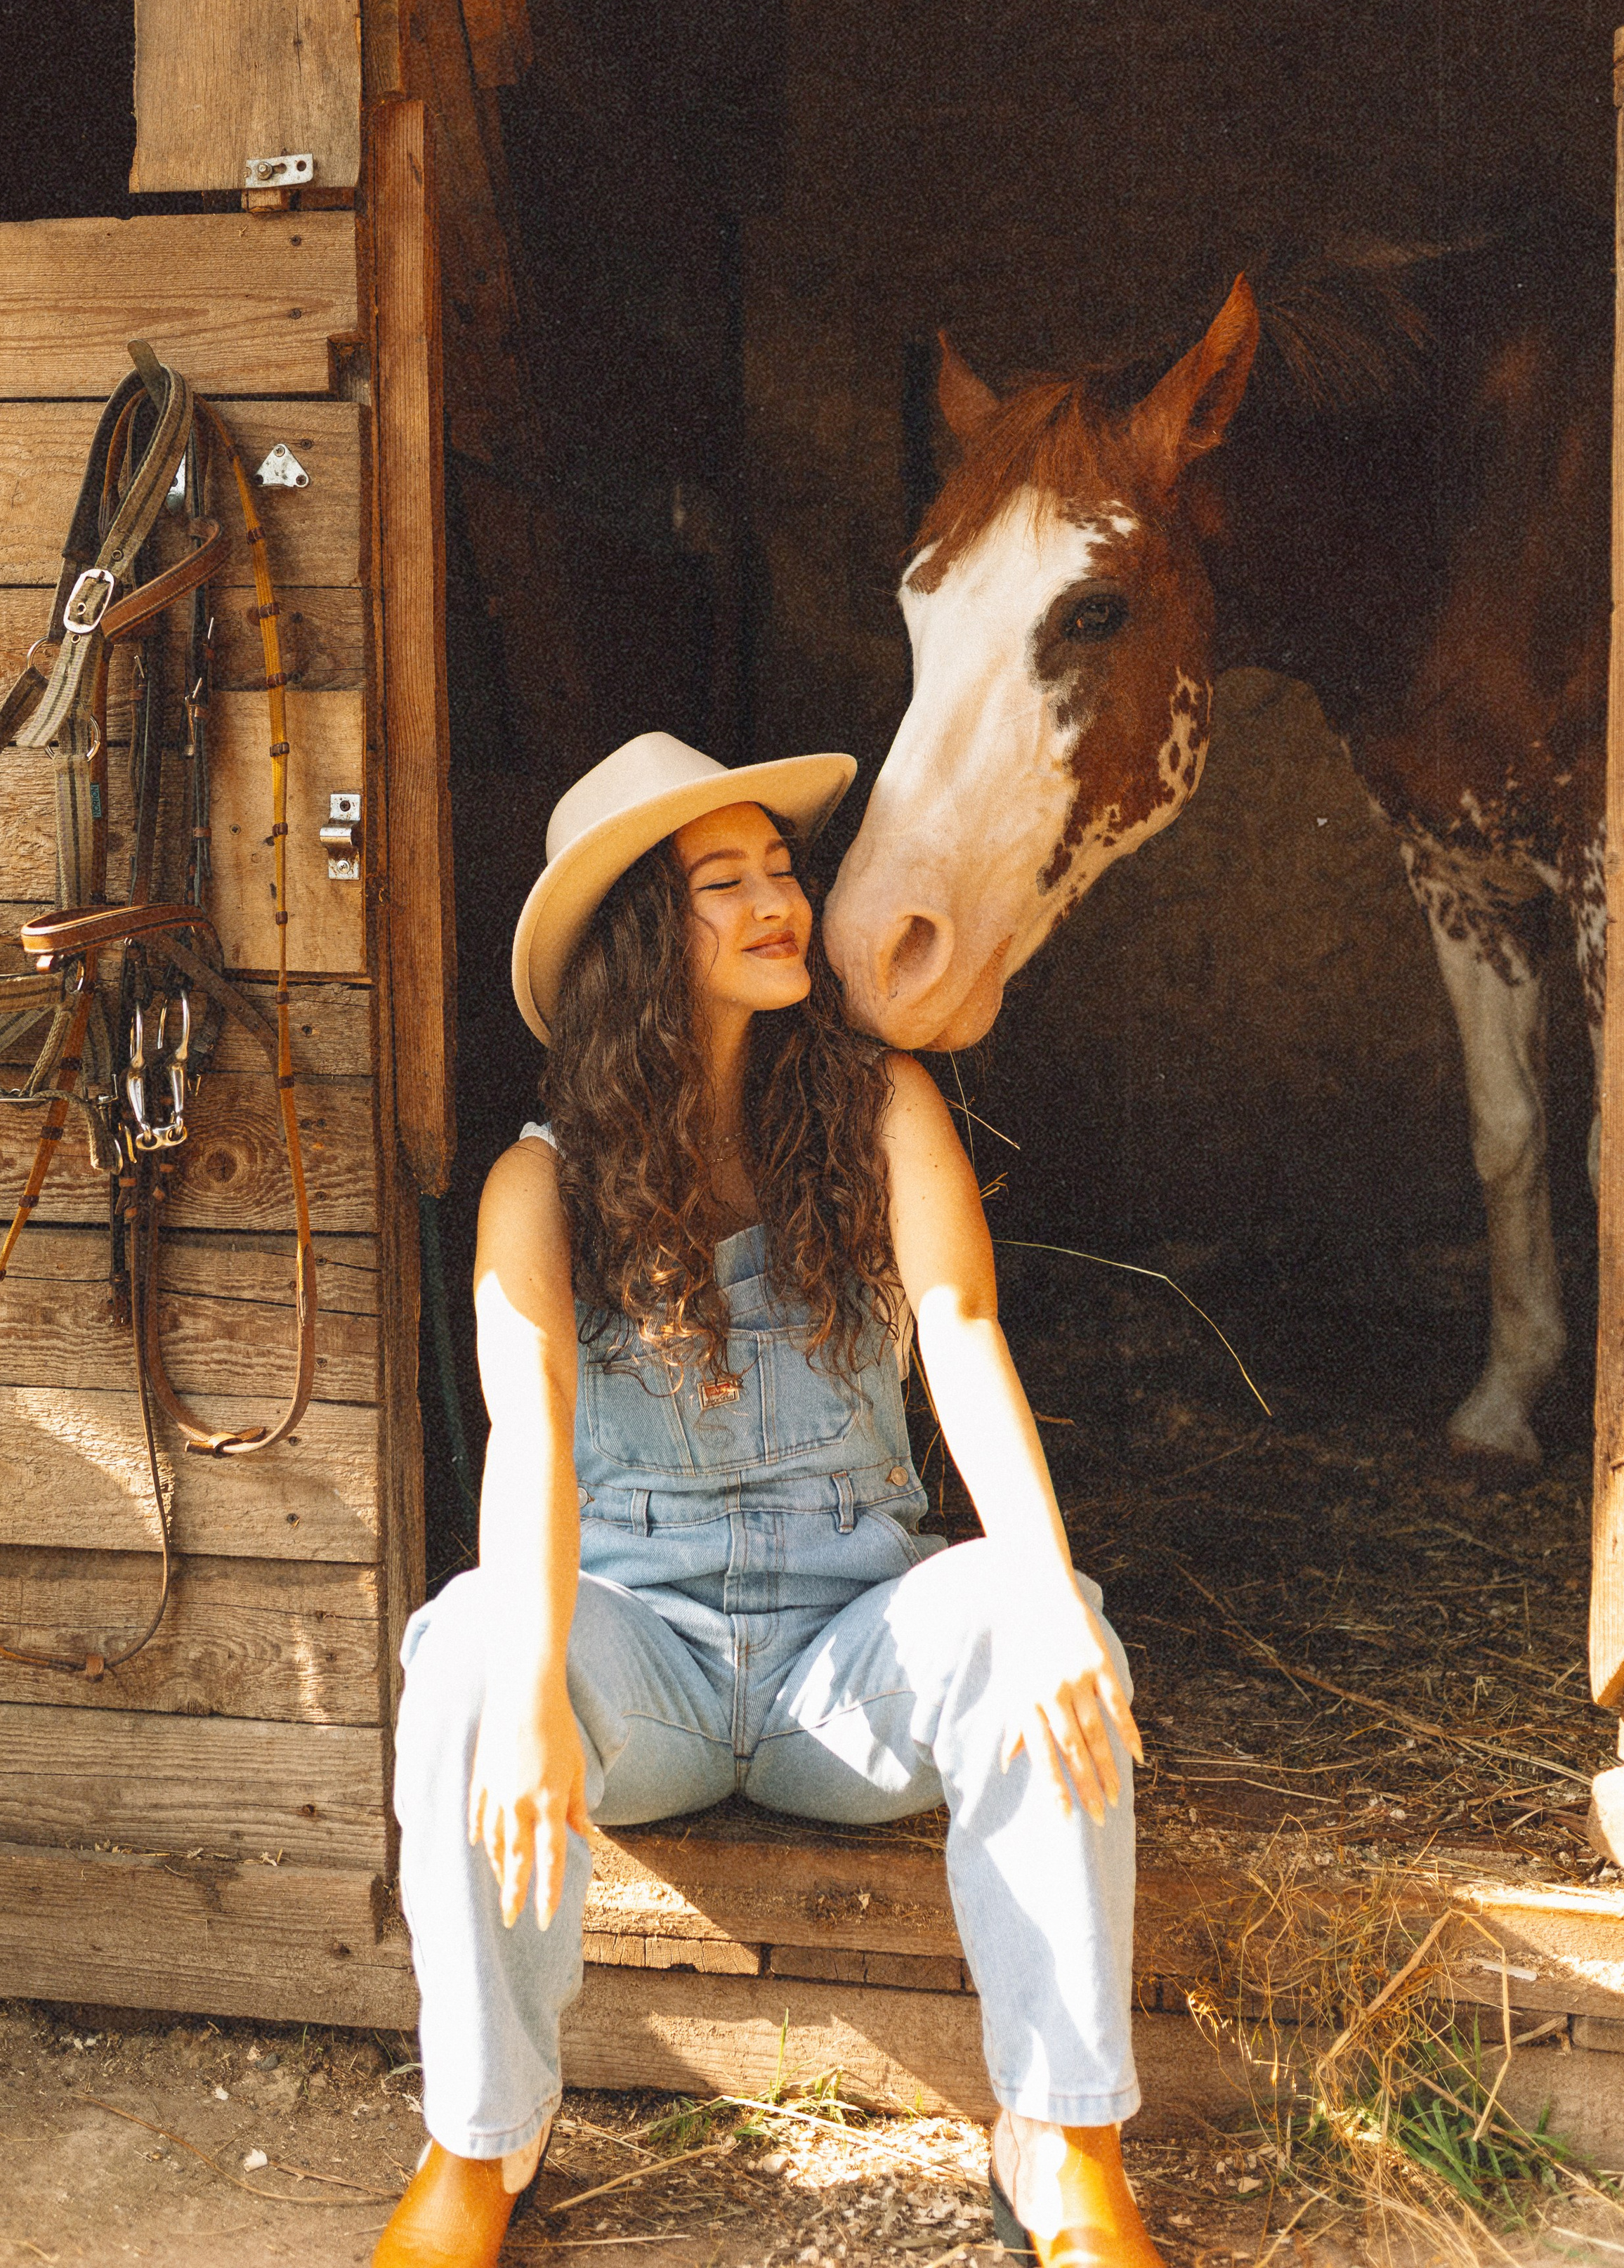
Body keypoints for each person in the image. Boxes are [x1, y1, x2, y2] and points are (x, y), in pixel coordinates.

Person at [374, 732, 1165, 2268]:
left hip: (848, 1659)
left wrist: (1042, 1589)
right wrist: (536, 1688)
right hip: (647, 1659)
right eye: (718, 882)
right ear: (633, 950)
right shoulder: (534, 1190)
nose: (776, 900)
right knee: (466, 1648)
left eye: (780, 867)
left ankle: (1061, 2144)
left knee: (1042, 1614)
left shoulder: (881, 1112)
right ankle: (481, 2144)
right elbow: (525, 1438)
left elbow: (962, 1334)